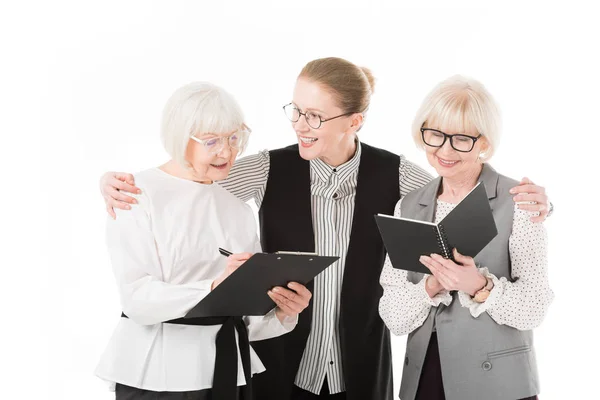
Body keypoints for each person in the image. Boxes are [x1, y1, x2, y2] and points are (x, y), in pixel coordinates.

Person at [99, 58, 551, 400]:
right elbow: (195, 180)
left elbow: (457, 185)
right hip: (278, 359)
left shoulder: (400, 179)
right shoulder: (264, 170)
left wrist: (543, 205)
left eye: (314, 116)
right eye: (295, 111)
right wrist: (117, 183)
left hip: (360, 364)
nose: (299, 124)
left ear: (354, 121)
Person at [95, 82, 311, 400]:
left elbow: (246, 320)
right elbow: (137, 299)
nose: (227, 152)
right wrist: (213, 287)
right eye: (211, 141)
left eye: (234, 138)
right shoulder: (134, 194)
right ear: (180, 139)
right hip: (159, 375)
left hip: (228, 370)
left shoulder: (238, 210)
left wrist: (282, 311)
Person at [379, 75, 553, 400]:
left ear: (484, 143)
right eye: (435, 135)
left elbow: (535, 306)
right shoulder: (408, 205)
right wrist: (431, 286)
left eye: (460, 139)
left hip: (497, 382)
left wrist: (478, 286)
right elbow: (392, 313)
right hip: (425, 378)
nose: (444, 149)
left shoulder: (519, 202)